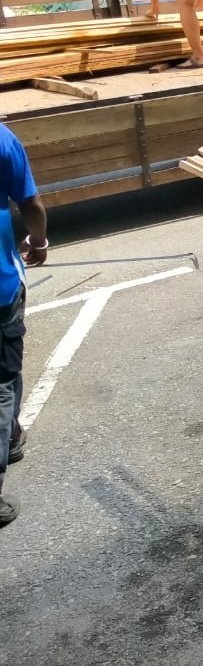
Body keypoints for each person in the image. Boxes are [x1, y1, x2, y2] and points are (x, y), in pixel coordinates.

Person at [0, 123, 48, 527]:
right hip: (0, 288)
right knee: (3, 378)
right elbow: (29, 204)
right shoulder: (2, 138)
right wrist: (39, 241)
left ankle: (12, 435)